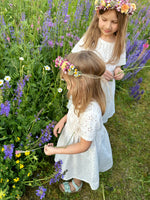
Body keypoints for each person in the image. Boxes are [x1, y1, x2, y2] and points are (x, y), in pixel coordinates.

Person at [44, 50, 113, 193]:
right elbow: (72, 110)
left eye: (69, 83)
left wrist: (56, 150)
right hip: (74, 133)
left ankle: (77, 181)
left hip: (82, 144)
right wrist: (63, 120)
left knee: (79, 162)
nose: (67, 87)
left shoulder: (90, 112)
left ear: (84, 84)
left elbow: (83, 146)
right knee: (73, 159)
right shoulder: (80, 94)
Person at [71, 0, 136, 123]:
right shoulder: (90, 39)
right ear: (98, 17)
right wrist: (99, 71)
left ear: (121, 23)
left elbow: (118, 64)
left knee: (96, 116)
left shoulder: (119, 43)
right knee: (81, 112)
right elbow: (75, 60)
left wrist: (118, 71)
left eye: (114, 22)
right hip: (88, 86)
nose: (108, 26)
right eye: (104, 20)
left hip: (104, 90)